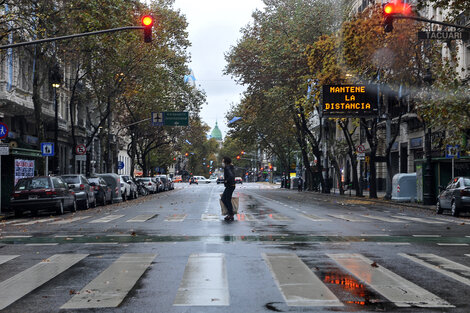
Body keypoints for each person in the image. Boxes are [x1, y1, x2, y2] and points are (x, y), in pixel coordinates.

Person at [221, 156, 236, 221]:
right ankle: (230, 213)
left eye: (223, 161)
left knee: (226, 199)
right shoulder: (230, 167)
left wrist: (226, 180)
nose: (222, 163)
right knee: (224, 198)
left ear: (226, 162)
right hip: (231, 185)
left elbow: (231, 176)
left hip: (230, 185)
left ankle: (231, 213)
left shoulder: (227, 168)